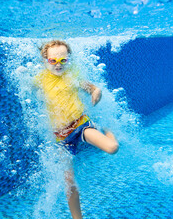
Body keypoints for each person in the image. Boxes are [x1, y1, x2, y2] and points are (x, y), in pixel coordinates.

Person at [34, 40, 119, 219]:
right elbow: (26, 86)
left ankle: (108, 130)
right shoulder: (40, 79)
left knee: (112, 148)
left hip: (80, 126)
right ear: (45, 60)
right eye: (53, 61)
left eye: (63, 60)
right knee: (69, 183)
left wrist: (96, 93)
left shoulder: (73, 75)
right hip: (60, 137)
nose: (58, 65)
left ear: (68, 60)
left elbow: (93, 88)